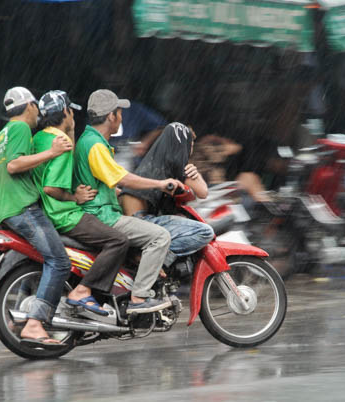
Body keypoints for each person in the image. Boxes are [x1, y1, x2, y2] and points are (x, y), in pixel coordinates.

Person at [73, 89, 183, 314]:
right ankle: (139, 299)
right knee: (160, 236)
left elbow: (109, 180)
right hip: (102, 215)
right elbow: (123, 176)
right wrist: (160, 184)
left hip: (100, 211)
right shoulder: (95, 144)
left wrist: (114, 190)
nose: (122, 118)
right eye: (120, 113)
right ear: (111, 116)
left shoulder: (89, 140)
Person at [0, 86, 73, 349]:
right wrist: (52, 152)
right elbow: (14, 165)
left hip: (5, 211)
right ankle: (36, 324)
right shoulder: (20, 129)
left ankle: (20, 319)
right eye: (36, 107)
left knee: (40, 261)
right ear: (30, 107)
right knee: (59, 261)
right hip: (22, 209)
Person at [32, 90, 129, 315]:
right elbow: (51, 188)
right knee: (119, 241)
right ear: (66, 112)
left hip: (46, 212)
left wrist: (73, 130)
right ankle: (83, 291)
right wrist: (73, 197)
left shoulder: (40, 138)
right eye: (71, 112)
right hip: (65, 214)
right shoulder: (62, 143)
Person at [119, 123, 214, 270]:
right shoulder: (175, 166)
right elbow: (203, 192)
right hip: (142, 221)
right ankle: (150, 260)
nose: (191, 149)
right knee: (204, 232)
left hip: (130, 221)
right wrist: (195, 173)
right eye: (190, 144)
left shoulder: (149, 162)